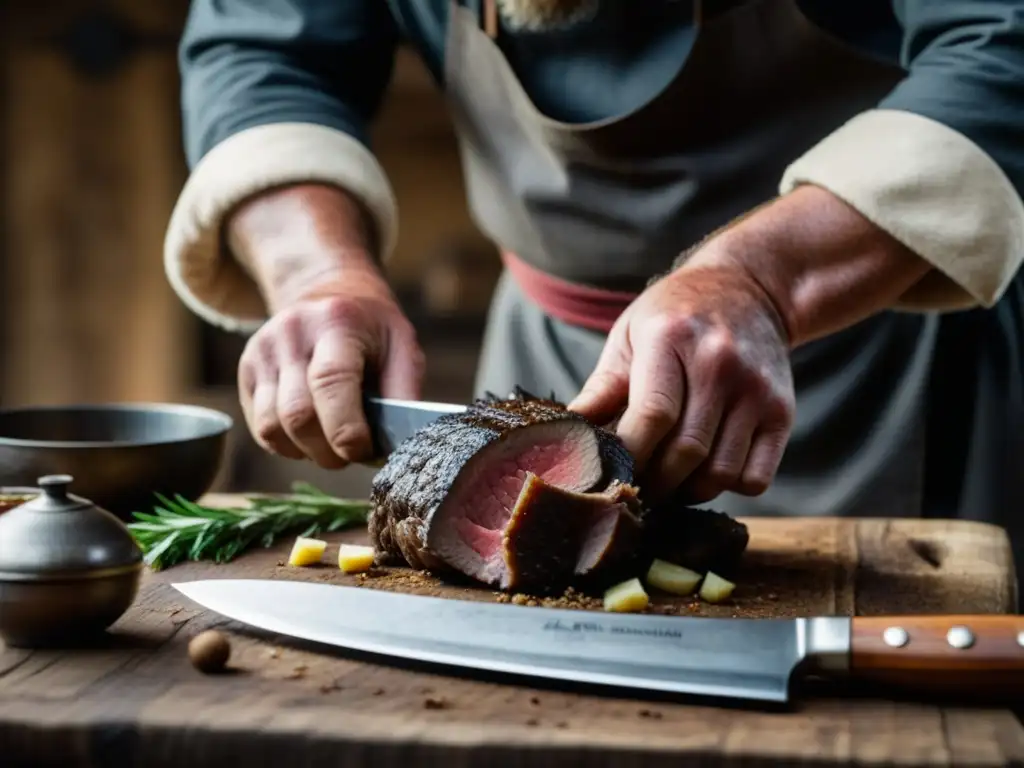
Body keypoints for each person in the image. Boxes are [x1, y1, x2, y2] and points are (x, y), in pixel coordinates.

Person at [164, 0, 1024, 570]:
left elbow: (1000, 44)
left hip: (883, 368)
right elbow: (264, 48)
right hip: (545, 372)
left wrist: (762, 280)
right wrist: (316, 273)